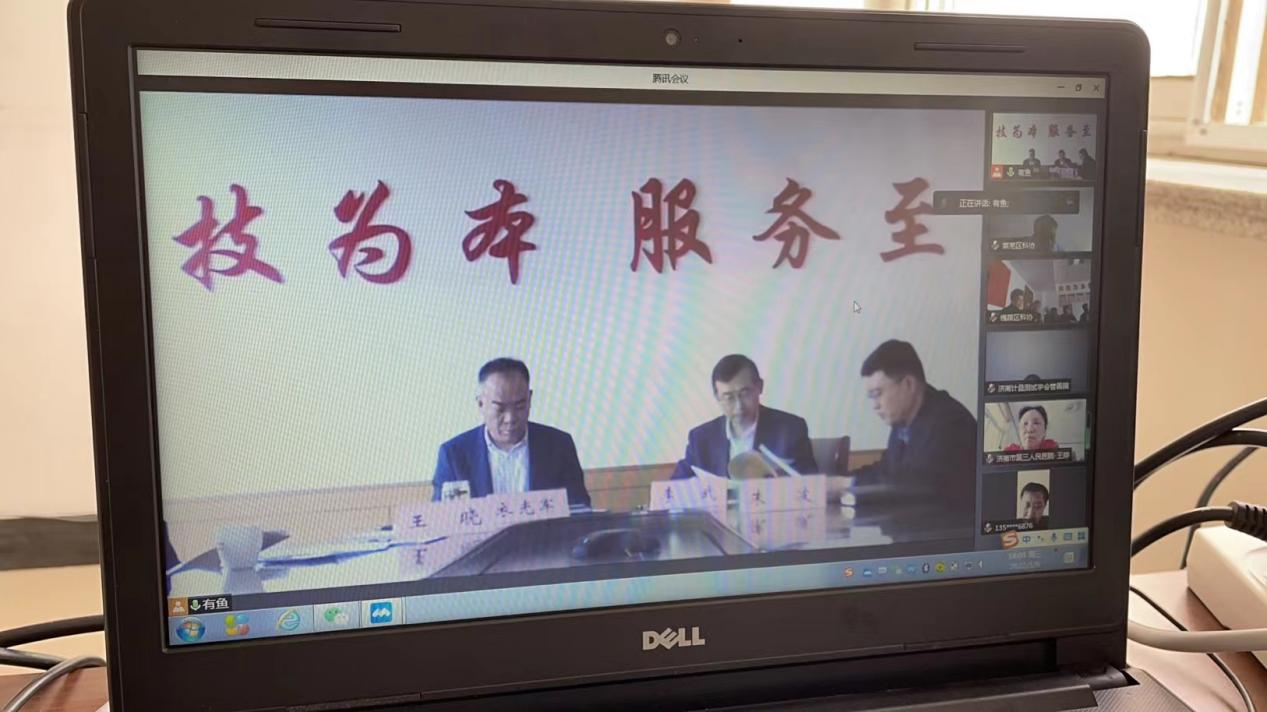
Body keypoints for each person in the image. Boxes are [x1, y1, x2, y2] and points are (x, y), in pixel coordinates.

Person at [850, 340, 977, 534]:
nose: (875, 405)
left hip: (951, 541)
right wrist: (842, 481)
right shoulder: (903, 423)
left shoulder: (950, 422)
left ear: (908, 384)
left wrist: (849, 485)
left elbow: (914, 486)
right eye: (871, 397)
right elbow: (886, 470)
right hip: (917, 534)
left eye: (878, 394)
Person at [432, 358, 591, 507]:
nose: (510, 418)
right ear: (481, 404)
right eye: (500, 408)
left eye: (520, 407)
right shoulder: (453, 454)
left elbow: (579, 511)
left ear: (529, 399)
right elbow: (442, 518)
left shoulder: (559, 446)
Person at [672, 355, 817, 479]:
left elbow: (812, 486)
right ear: (717, 396)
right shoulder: (701, 438)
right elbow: (676, 486)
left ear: (759, 387)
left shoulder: (790, 430)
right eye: (729, 398)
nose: (739, 406)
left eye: (745, 394)